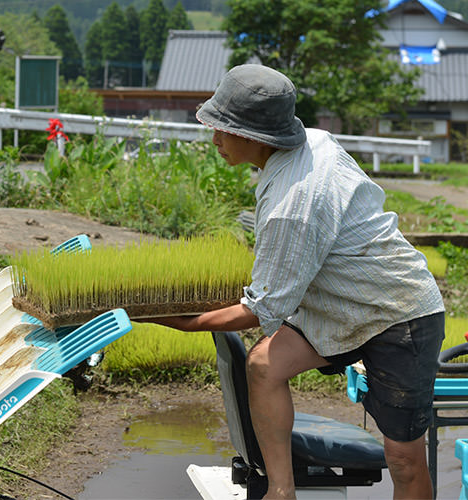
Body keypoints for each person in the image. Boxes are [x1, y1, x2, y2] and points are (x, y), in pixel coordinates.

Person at [149, 64, 445, 499]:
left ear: (254, 136)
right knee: (265, 365)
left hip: (400, 313)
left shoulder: (294, 202)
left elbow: (261, 309)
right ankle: (281, 491)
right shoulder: (312, 140)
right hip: (339, 304)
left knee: (403, 458)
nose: (214, 140)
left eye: (222, 130)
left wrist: (186, 322)